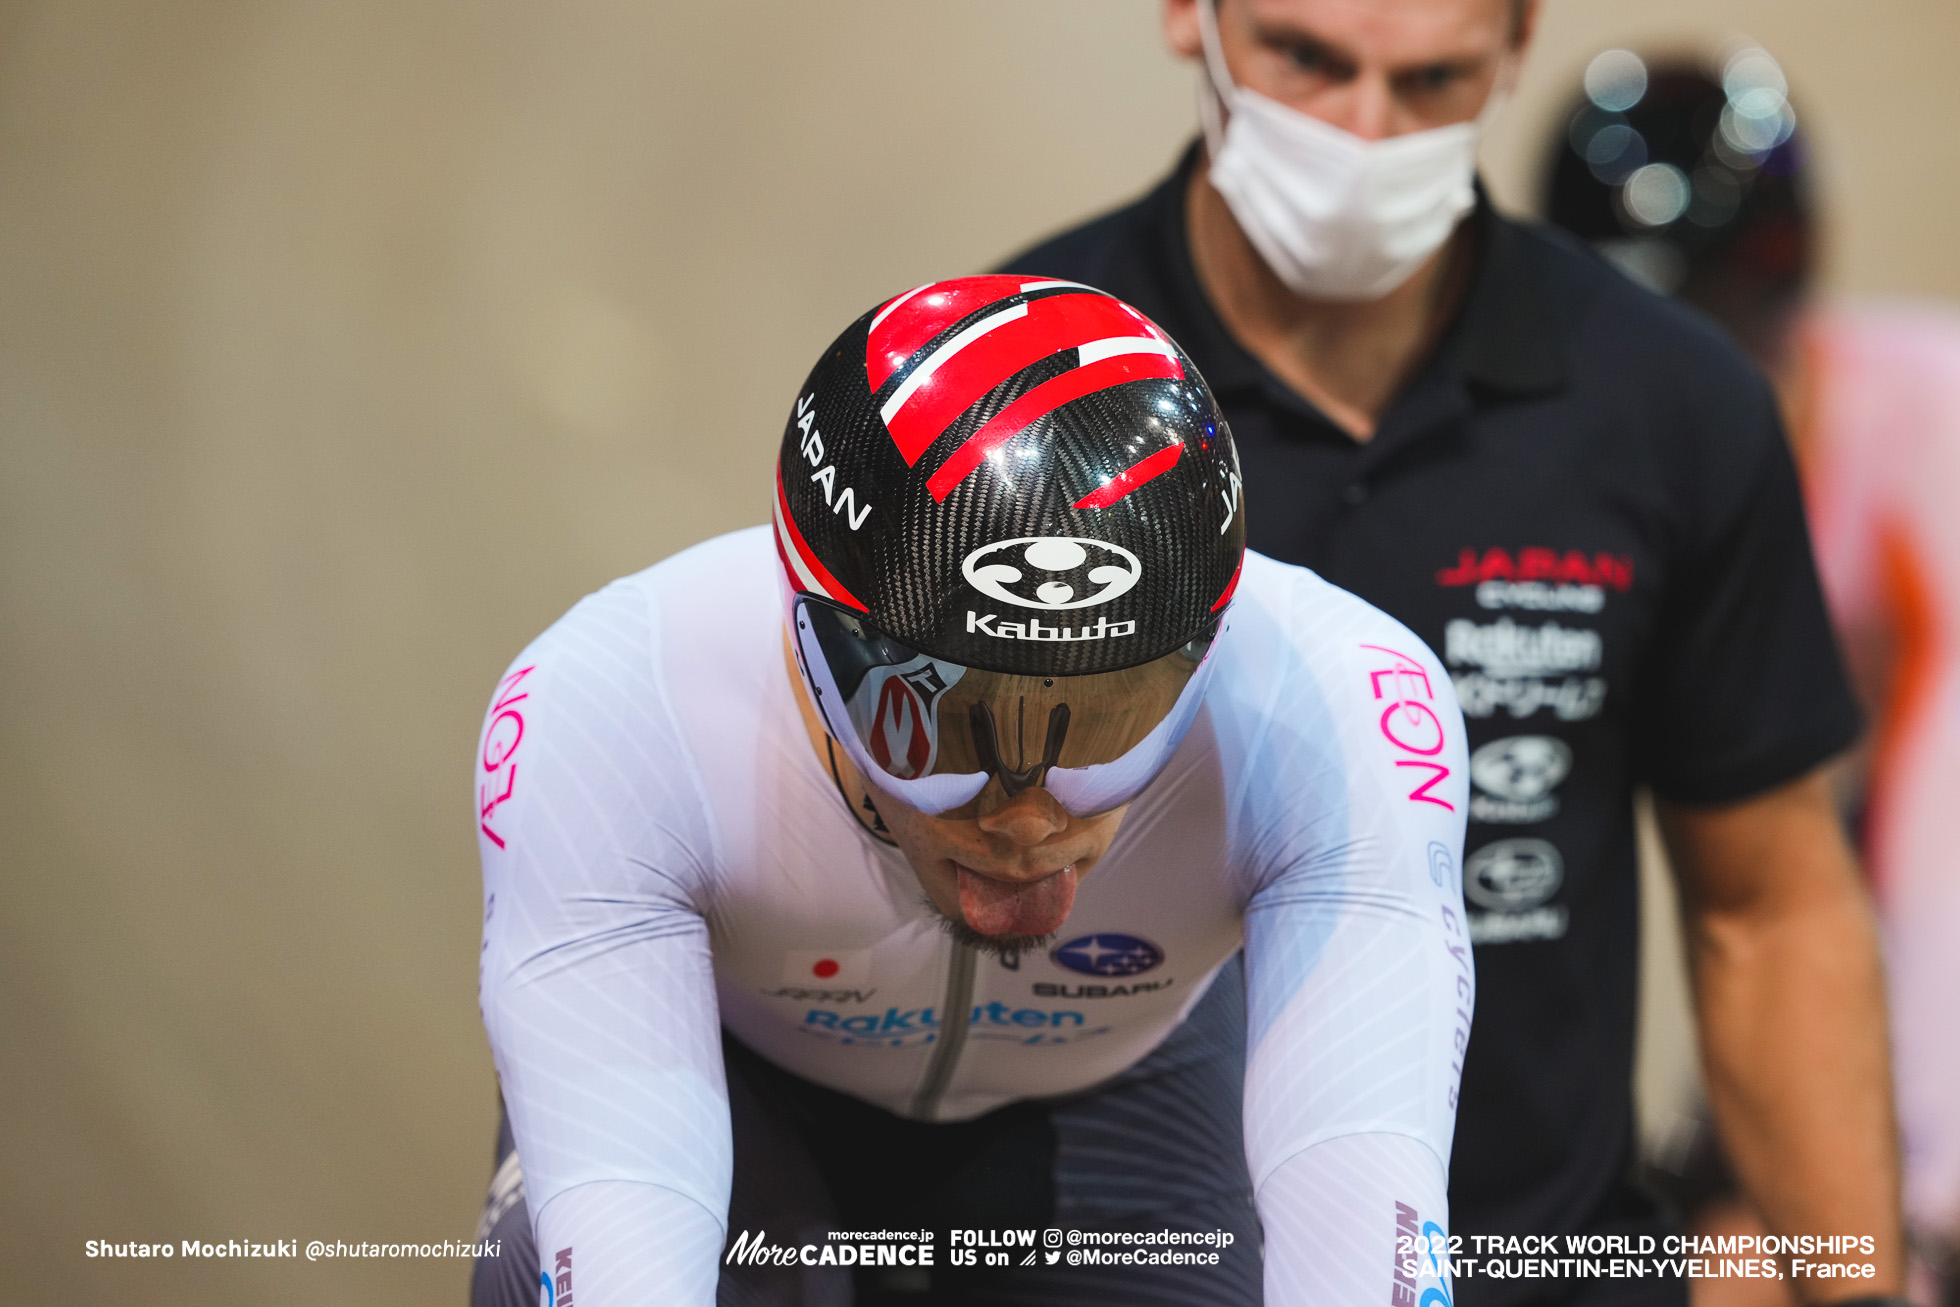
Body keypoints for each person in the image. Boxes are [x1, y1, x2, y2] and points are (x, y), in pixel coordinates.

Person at [996, 1, 1905, 1303]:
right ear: (1188, 16)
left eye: (1430, 79)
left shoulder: (1669, 406)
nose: (1363, 134)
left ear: (1519, 43)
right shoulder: (1020, 406)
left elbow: (1771, 910)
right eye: (1305, 58)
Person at [468, 274, 1475, 1306]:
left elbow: (1366, 1220)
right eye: (939, 714)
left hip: (1122, 1091)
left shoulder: (1336, 706)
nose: (1024, 815)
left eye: (1106, 718)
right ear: (811, 641)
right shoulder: (620, 706)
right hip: (741, 1083)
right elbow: (621, 1236)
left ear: (1206, 652)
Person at [1543, 50, 1960, 1307]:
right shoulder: (1559, 470)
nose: (1702, 395)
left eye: (1732, 336)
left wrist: (1921, 1204)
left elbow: (1937, 813)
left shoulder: (1924, 417)